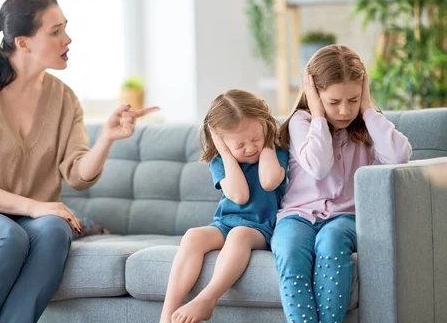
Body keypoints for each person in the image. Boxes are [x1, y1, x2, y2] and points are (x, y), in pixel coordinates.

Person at [0, 0, 159, 323]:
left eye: (65, 28)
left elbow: (77, 175)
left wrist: (107, 139)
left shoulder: (64, 99)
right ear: (22, 43)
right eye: (55, 32)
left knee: (54, 231)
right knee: (6, 237)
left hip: (27, 222)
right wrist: (35, 207)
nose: (67, 39)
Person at [271, 44, 412, 322]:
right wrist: (319, 115)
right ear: (315, 95)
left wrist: (369, 109)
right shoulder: (302, 122)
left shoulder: (366, 125)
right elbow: (319, 167)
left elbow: (399, 156)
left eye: (353, 99)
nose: (345, 110)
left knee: (331, 240)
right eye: (334, 102)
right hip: (297, 216)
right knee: (288, 249)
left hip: (345, 218)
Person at [160, 89, 289, 323]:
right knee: (193, 236)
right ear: (220, 141)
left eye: (255, 139)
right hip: (224, 224)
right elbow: (238, 195)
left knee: (239, 235)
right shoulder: (219, 161)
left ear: (265, 127)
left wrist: (268, 140)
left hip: (260, 228)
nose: (250, 148)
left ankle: (207, 299)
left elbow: (269, 182)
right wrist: (225, 153)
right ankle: (166, 316)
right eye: (240, 144)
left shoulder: (275, 152)